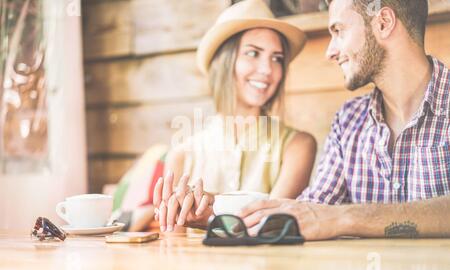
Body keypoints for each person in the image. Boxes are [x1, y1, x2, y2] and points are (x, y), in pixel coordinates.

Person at [238, 0, 450, 240]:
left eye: (338, 31)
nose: (330, 52)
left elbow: (327, 216)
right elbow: (311, 211)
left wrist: (344, 217)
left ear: (383, 23)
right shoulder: (348, 120)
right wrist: (215, 214)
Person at [153, 0, 317, 232]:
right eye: (253, 53)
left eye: (277, 58)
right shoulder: (181, 155)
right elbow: (174, 245)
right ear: (225, 61)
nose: (267, 70)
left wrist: (213, 207)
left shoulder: (298, 146)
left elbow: (269, 222)